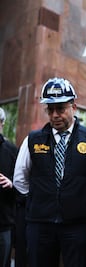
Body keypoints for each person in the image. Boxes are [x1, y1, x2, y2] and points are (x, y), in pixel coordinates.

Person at [13, 77, 86, 267]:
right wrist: (41, 200)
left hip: (78, 224)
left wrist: (83, 195)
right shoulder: (33, 140)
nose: (55, 115)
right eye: (50, 110)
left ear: (73, 107)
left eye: (61, 109)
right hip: (40, 223)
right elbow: (20, 179)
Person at [0, 107, 18, 267]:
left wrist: (11, 182)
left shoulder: (12, 150)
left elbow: (23, 182)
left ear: (2, 124)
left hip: (3, 222)